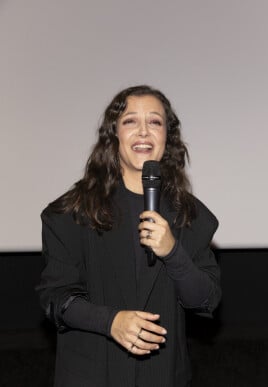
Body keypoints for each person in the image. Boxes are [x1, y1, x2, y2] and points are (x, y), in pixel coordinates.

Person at [36, 85, 221, 387]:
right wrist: (111, 322)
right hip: (93, 375)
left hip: (163, 376)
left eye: (155, 122)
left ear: (167, 138)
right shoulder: (72, 212)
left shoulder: (191, 216)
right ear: (114, 135)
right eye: (130, 121)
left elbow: (205, 300)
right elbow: (55, 298)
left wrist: (173, 253)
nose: (144, 131)